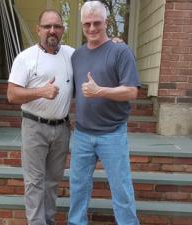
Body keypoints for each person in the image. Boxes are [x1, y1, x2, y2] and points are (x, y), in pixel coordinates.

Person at [68, 1, 141, 225]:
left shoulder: (120, 51)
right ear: (81, 24)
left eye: (96, 23)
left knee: (121, 189)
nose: (91, 29)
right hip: (81, 134)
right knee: (78, 189)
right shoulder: (76, 56)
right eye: (87, 24)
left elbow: (131, 91)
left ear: (106, 22)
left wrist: (100, 91)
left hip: (112, 133)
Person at [7, 9, 74, 225]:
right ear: (38, 30)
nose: (52, 31)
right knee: (34, 182)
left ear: (63, 30)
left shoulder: (71, 55)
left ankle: (48, 221)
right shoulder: (24, 58)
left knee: (53, 181)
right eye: (47, 26)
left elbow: (95, 52)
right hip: (34, 127)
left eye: (57, 26)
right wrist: (40, 92)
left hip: (62, 129)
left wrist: (115, 43)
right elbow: (12, 94)